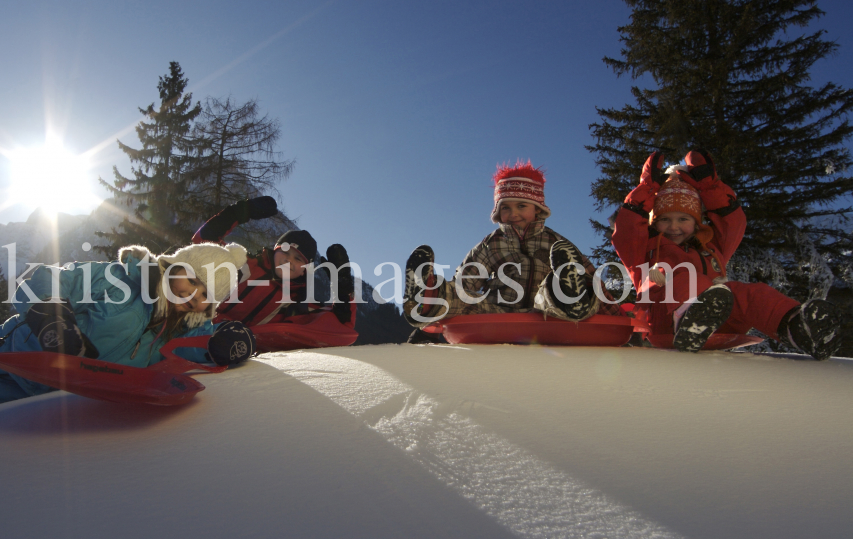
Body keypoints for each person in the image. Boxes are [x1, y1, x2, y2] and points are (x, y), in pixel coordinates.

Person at [0, 242, 255, 436]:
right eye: (195, 281)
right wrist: (53, 319)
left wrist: (233, 342)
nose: (194, 297)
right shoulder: (119, 280)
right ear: (176, 266)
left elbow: (210, 349)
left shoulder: (184, 331)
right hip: (7, 347)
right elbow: (39, 278)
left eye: (207, 296)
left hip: (27, 391)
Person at [611, 150, 843, 358]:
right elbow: (626, 231)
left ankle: (796, 327)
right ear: (654, 221)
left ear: (696, 221)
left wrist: (710, 187)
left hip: (717, 318)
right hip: (665, 322)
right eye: (664, 220)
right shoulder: (645, 249)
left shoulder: (710, 246)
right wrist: (647, 189)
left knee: (749, 293)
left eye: (683, 219)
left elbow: (733, 222)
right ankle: (689, 316)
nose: (674, 227)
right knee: (684, 276)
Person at [403, 161, 620, 330]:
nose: (513, 213)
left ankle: (571, 297)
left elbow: (593, 280)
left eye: (522, 205)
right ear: (498, 212)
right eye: (505, 207)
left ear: (537, 209)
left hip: (543, 312)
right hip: (499, 312)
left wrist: (616, 314)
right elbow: (467, 282)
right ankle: (428, 296)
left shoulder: (557, 243)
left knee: (560, 293)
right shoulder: (491, 244)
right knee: (468, 301)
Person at [192, 197, 357, 328]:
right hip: (198, 328)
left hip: (246, 358)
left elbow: (340, 325)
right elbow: (203, 242)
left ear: (304, 270)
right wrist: (238, 212)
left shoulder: (299, 305)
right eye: (285, 251)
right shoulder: (244, 265)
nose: (288, 260)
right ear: (275, 251)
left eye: (298, 258)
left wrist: (342, 285)